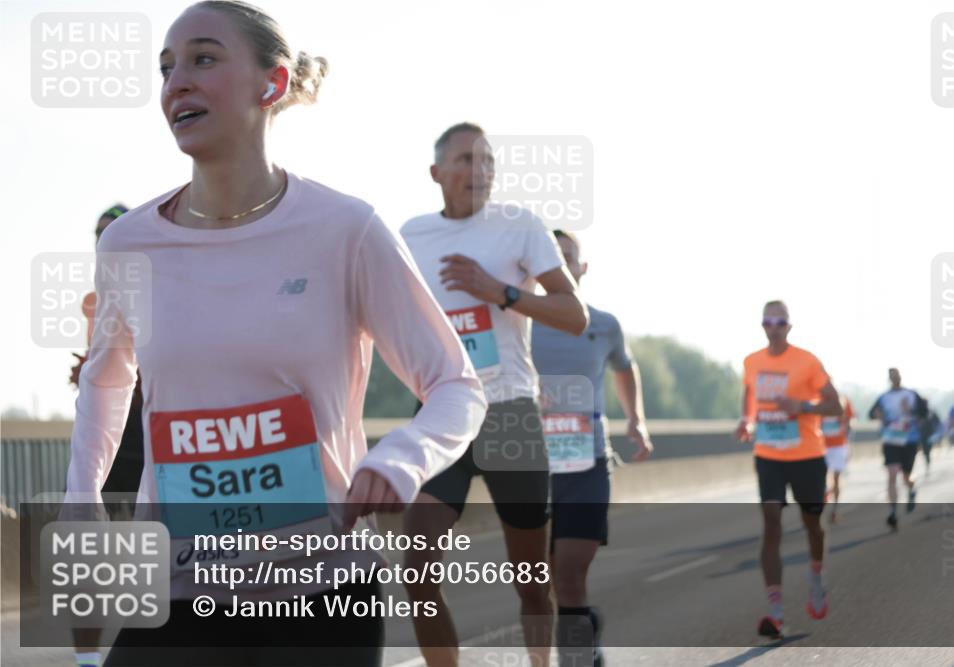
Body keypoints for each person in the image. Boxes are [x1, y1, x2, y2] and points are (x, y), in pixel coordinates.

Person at [65, 3, 487, 666]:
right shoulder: (129, 243)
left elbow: (457, 384)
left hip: (321, 592)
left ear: (272, 84)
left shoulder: (346, 230)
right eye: (166, 67)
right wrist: (82, 493)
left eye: (203, 58)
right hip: (183, 587)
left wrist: (400, 458)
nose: (176, 81)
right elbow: (107, 376)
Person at [399, 123, 588, 667]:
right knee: (417, 568)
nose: (477, 169)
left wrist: (498, 291)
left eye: (486, 160)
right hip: (441, 409)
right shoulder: (410, 236)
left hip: (509, 412)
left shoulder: (521, 227)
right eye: (464, 159)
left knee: (531, 582)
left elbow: (573, 315)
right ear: (437, 173)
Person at [531, 230, 654, 666]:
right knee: (541, 580)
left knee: (568, 575)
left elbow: (626, 367)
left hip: (587, 462)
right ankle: (582, 627)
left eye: (569, 258)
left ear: (582, 269)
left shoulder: (603, 324)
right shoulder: (517, 325)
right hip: (532, 465)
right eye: (553, 258)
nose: (561, 266)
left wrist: (635, 419)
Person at [734, 300, 842, 640]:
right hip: (768, 455)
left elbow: (834, 404)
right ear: (762, 325)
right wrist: (746, 421)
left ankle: (815, 578)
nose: (774, 326)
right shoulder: (752, 361)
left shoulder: (807, 361)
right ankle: (776, 612)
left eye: (780, 321)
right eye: (768, 321)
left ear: (789, 326)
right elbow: (750, 396)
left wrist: (803, 406)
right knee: (771, 521)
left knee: (813, 525)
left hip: (808, 455)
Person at [70, 204, 145, 499]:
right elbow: (103, 366)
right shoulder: (96, 299)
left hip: (144, 430)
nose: (101, 239)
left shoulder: (154, 287)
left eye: (108, 231)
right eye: (98, 233)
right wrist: (86, 372)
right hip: (110, 426)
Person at [869, 369, 926, 528]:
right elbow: (871, 414)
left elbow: (925, 413)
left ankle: (912, 490)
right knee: (892, 474)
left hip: (909, 440)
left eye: (897, 376)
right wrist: (878, 415)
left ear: (900, 378)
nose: (895, 379)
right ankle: (893, 512)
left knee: (906, 476)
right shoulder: (884, 397)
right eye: (892, 377)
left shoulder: (911, 394)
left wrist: (911, 410)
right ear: (889, 379)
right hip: (891, 439)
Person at [821, 394, 853, 524]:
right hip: (821, 446)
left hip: (839, 446)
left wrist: (843, 422)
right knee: (822, 479)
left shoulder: (844, 399)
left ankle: (834, 510)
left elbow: (849, 425)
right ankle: (826, 497)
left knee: (836, 478)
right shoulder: (816, 402)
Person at [918, 408, 943, 474]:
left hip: (930, 435)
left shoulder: (930, 412)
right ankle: (927, 463)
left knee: (928, 450)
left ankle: (928, 463)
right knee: (925, 451)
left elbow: (937, 421)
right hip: (922, 436)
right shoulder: (918, 414)